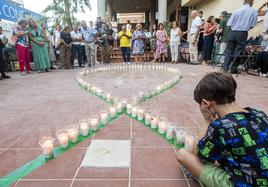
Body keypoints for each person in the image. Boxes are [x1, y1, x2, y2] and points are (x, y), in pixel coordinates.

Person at [177, 72, 268, 187]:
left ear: (205, 103)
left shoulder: (220, 127)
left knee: (182, 154)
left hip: (245, 183)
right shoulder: (259, 114)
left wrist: (207, 121)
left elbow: (197, 154)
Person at [223, 0, 258, 73]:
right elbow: (253, 25)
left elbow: (229, 24)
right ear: (252, 2)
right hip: (242, 33)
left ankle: (225, 69)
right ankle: (233, 69)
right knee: (238, 51)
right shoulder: (254, 11)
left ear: (244, 2)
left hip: (233, 32)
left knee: (229, 51)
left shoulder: (237, 10)